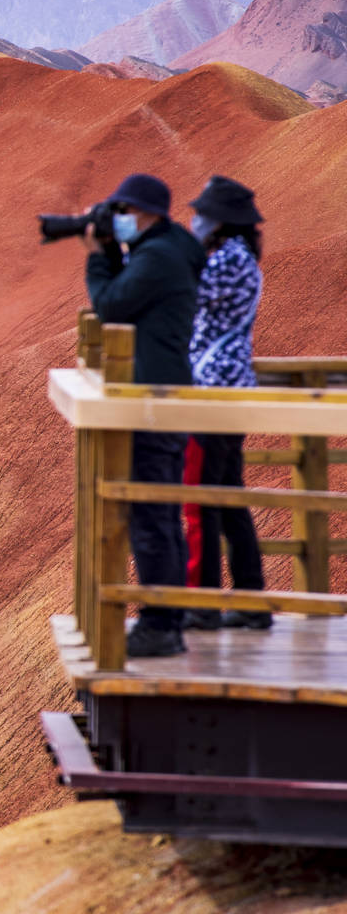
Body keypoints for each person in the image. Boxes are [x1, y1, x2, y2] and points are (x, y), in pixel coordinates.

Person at [82, 172, 206, 658]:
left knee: (151, 517)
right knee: (161, 514)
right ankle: (165, 617)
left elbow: (113, 305)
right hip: (167, 393)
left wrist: (98, 257)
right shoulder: (173, 245)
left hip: (154, 400)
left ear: (145, 212)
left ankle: (160, 624)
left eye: (124, 211)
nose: (120, 220)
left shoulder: (157, 256)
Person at [180, 176, 268, 631]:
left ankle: (201, 602)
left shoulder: (227, 261)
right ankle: (251, 599)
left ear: (219, 221)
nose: (193, 221)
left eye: (200, 215)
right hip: (227, 387)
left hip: (212, 390)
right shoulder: (239, 258)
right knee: (228, 497)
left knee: (199, 498)